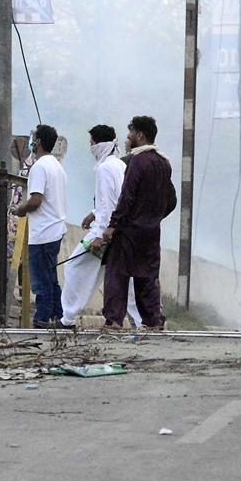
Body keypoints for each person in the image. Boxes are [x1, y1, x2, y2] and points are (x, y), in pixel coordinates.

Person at [91, 116, 176, 331]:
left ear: (140, 135)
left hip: (129, 230)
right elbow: (170, 199)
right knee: (147, 276)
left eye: (130, 134)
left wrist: (113, 224)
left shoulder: (137, 162)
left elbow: (127, 197)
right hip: (151, 231)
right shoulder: (163, 163)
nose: (127, 138)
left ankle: (113, 320)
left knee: (117, 274)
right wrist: (154, 218)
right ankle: (152, 321)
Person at [59, 125, 141, 330]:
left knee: (75, 267)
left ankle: (67, 318)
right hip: (123, 230)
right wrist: (94, 213)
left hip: (105, 232)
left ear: (98, 144)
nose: (91, 148)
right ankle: (144, 321)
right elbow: (118, 199)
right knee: (127, 279)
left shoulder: (105, 169)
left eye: (92, 143)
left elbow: (109, 204)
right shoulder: (120, 165)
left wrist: (101, 234)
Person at [10, 124, 67, 328]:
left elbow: (35, 200)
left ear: (39, 142)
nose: (31, 143)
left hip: (42, 232)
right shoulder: (58, 167)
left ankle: (42, 319)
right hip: (56, 230)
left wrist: (20, 209)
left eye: (33, 139)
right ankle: (60, 318)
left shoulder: (39, 167)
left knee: (41, 280)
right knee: (51, 279)